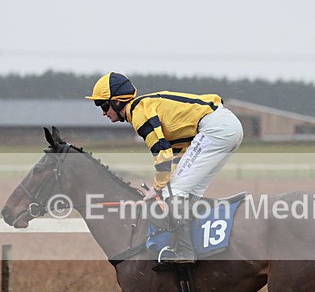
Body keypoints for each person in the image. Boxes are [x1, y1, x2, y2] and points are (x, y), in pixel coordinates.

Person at [86, 72, 243, 267]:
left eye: (103, 105)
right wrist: (164, 184)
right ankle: (196, 246)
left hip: (216, 129)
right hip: (226, 127)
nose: (103, 112)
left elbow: (161, 151)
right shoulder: (146, 107)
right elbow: (177, 152)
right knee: (187, 193)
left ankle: (185, 252)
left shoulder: (139, 112)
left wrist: (159, 187)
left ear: (117, 102)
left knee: (175, 191)